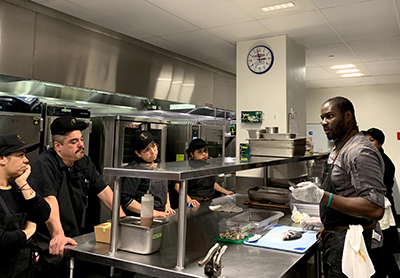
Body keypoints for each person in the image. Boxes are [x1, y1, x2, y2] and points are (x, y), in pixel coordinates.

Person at [291, 96, 386, 278]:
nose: (323, 122)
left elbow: (375, 208)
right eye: (322, 118)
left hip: (350, 242)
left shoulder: (359, 151)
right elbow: (346, 191)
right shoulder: (340, 147)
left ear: (348, 115)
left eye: (329, 116)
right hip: (336, 237)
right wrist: (326, 221)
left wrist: (322, 196)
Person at [28, 116, 125, 276]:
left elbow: (105, 192)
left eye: (81, 139)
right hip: (50, 243)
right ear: (58, 146)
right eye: (73, 142)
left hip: (75, 238)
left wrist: (123, 220)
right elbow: (49, 200)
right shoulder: (44, 164)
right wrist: (58, 235)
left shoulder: (83, 161)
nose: (81, 145)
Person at [0, 134, 50, 278]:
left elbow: (43, 214)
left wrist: (23, 184)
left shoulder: (18, 189)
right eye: (20, 155)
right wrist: (28, 232)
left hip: (24, 268)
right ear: (2, 159)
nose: (26, 160)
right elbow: (2, 239)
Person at [362, 127, 400, 278]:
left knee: (383, 251)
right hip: (378, 207)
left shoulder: (383, 162)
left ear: (380, 143)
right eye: (365, 140)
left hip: (382, 209)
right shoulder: (373, 158)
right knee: (381, 253)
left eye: (371, 140)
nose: (367, 143)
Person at [121, 130, 175, 217]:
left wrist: (167, 206)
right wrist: (151, 212)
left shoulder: (159, 163)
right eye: (146, 150)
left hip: (161, 214)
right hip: (141, 217)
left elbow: (165, 189)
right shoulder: (134, 169)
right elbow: (125, 199)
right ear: (138, 153)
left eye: (153, 146)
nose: (153, 152)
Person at [174, 139, 234, 207]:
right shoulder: (187, 167)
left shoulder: (208, 166)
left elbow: (212, 183)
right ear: (192, 153)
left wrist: (226, 192)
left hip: (210, 202)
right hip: (195, 203)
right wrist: (189, 200)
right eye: (200, 152)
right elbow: (177, 186)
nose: (204, 154)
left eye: (205, 150)